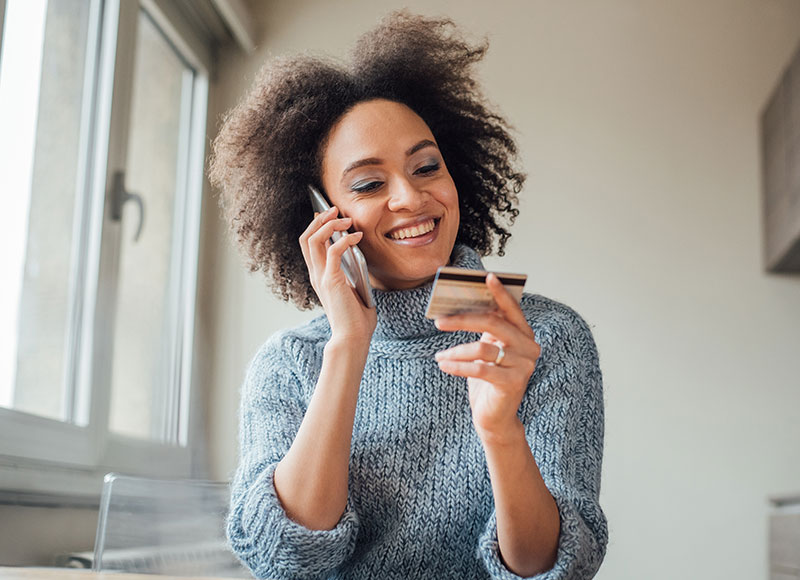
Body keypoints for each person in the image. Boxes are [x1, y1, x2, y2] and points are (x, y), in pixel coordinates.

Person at [208, 10, 607, 580]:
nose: (410, 197)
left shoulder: (542, 338)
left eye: (426, 167)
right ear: (322, 216)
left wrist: (499, 428)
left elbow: (556, 571)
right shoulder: (288, 364)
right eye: (369, 183)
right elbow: (285, 561)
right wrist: (348, 343)